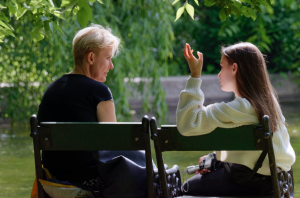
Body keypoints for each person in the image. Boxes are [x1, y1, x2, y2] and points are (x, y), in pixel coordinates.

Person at [37, 24, 147, 197]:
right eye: (108, 58)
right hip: (91, 182)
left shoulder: (51, 90)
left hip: (53, 180)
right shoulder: (99, 91)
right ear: (91, 58)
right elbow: (116, 146)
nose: (111, 66)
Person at [176, 42, 295, 196]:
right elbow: (251, 153)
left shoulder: (239, 108)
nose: (219, 73)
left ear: (234, 68)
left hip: (249, 183)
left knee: (186, 188)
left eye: (221, 66)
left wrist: (194, 75)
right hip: (280, 181)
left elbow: (187, 124)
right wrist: (216, 159)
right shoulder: (269, 102)